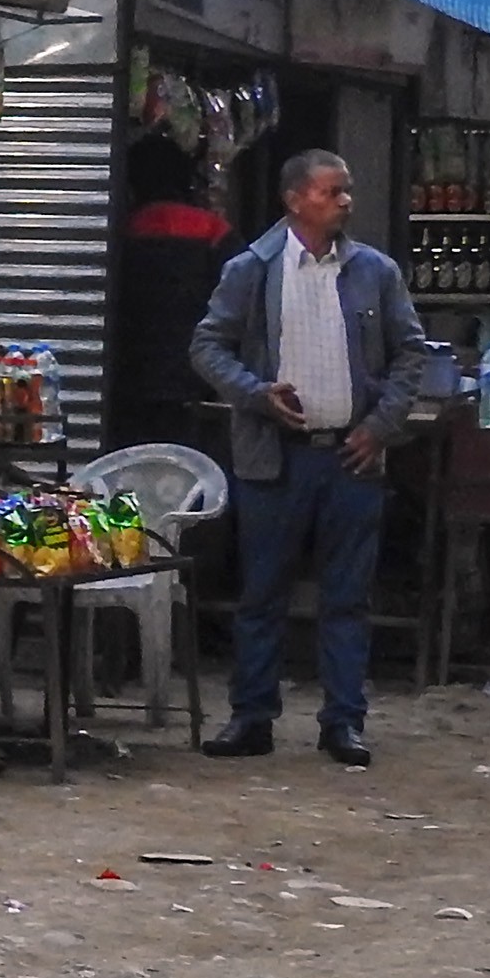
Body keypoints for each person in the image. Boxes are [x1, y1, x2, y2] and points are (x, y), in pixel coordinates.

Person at [191, 147, 420, 771]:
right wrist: (255, 393)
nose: (345, 201)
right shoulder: (253, 270)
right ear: (295, 200)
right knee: (262, 593)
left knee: (346, 599)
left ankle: (343, 723)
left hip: (350, 456)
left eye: (347, 191)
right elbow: (208, 346)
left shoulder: (375, 271)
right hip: (276, 459)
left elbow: (410, 355)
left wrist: (378, 427)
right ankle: (252, 718)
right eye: (332, 191)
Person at [107, 132, 236, 452]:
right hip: (196, 384)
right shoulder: (213, 230)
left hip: (128, 383)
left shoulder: (120, 229)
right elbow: (244, 301)